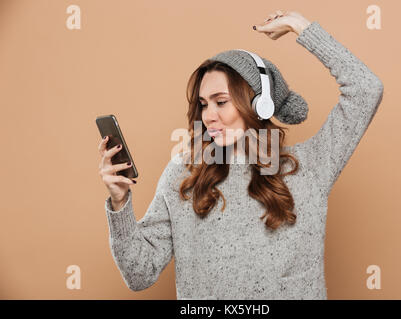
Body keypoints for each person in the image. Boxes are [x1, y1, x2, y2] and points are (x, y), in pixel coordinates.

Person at [97, 10, 384, 299]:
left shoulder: (309, 166)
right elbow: (139, 273)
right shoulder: (184, 174)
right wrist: (120, 203)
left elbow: (365, 89)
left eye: (221, 102)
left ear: (260, 104)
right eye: (203, 104)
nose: (209, 115)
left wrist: (301, 27)